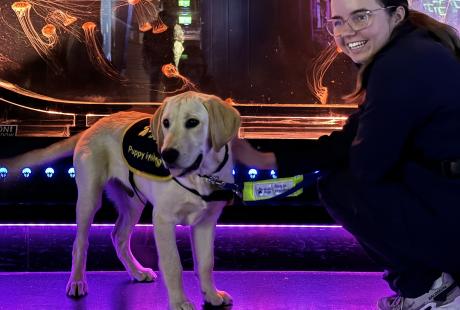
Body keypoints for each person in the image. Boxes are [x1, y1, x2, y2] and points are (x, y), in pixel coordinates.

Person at [232, 0, 460, 309]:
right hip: (447, 199)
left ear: (397, 15)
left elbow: (367, 166)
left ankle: (429, 289)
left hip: (450, 210)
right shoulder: (413, 49)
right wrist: (270, 160)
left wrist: (290, 178)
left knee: (339, 184)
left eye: (361, 16)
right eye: (337, 22)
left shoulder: (399, 65)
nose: (347, 31)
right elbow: (350, 138)